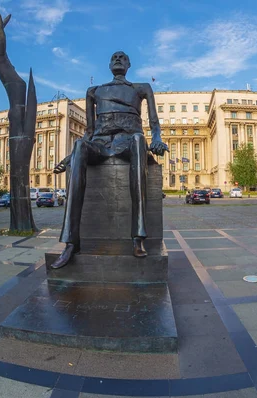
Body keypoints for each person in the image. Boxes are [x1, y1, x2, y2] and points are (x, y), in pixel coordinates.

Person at [51, 51, 168, 269]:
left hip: (129, 141)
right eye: (114, 57)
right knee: (78, 145)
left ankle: (138, 237)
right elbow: (88, 132)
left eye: (122, 57)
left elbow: (154, 123)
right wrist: (71, 157)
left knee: (138, 139)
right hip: (101, 143)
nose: (117, 59)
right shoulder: (94, 91)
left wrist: (157, 140)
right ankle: (70, 242)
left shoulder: (141, 88)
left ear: (129, 64)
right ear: (108, 64)